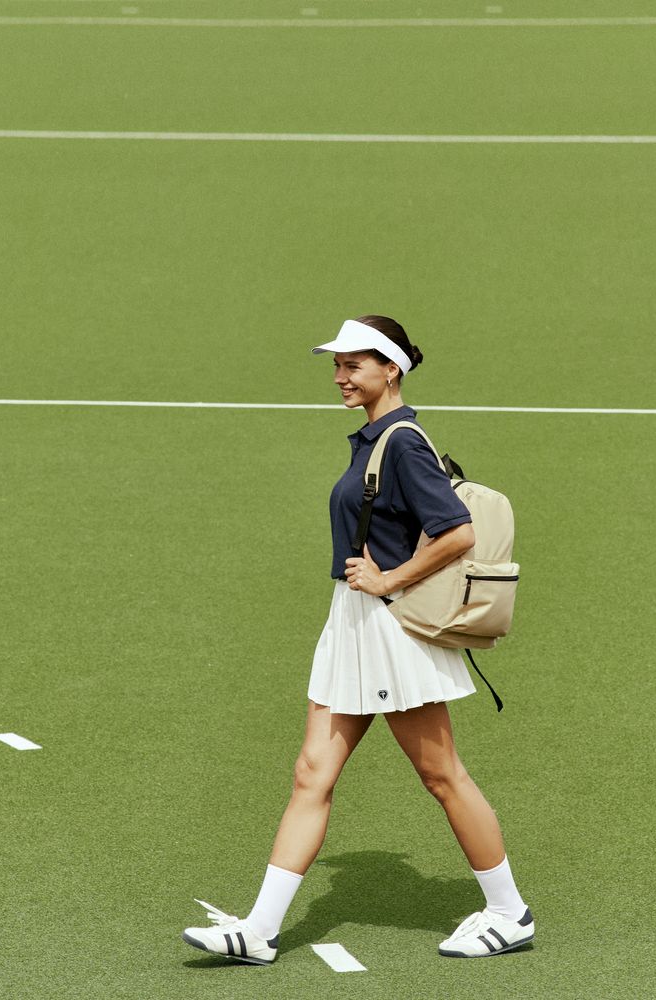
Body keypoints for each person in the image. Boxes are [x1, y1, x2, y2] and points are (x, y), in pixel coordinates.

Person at [182, 315, 533, 964]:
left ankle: (510, 913)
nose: (340, 377)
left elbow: (457, 531)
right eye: (337, 366)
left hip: (389, 631)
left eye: (353, 365)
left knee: (442, 775)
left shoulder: (402, 442)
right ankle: (259, 930)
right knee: (311, 772)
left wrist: (389, 578)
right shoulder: (374, 439)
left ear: (390, 369)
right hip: (352, 624)